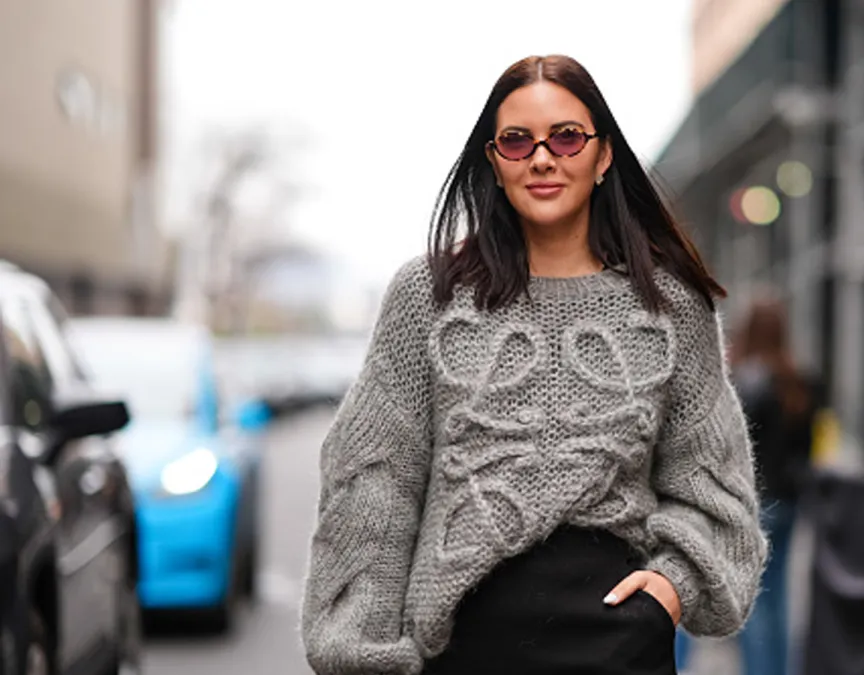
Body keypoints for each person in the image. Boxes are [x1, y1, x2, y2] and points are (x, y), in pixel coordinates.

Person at [300, 54, 768, 675]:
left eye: (567, 137)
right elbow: (377, 487)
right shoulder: (428, 296)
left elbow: (712, 488)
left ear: (603, 157)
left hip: (619, 646)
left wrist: (670, 588)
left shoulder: (670, 304)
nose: (543, 158)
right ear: (493, 160)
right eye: (517, 141)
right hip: (463, 650)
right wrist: (362, 657)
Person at [728, 294, 819, 675]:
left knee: (752, 601)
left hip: (754, 502)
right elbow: (810, 448)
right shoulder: (799, 381)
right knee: (780, 594)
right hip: (790, 501)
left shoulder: (744, 381)